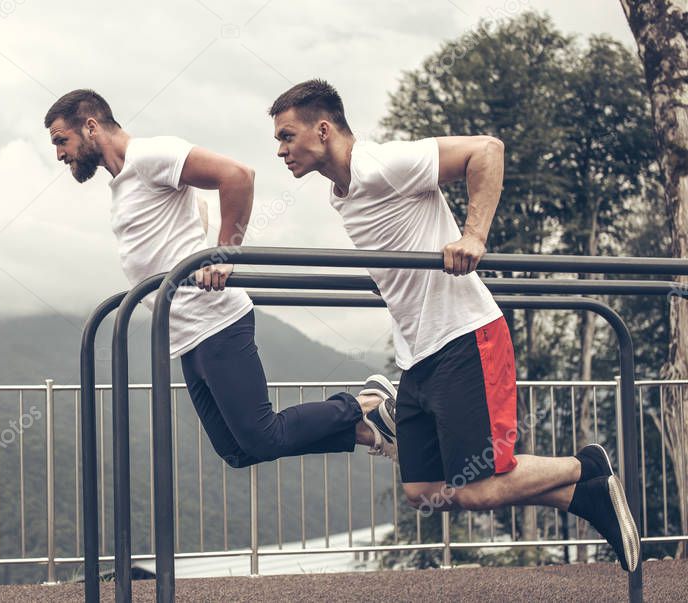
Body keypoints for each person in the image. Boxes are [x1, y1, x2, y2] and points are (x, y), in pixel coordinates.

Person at [267, 79, 640, 572]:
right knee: (425, 491)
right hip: (418, 354)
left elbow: (486, 151)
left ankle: (586, 467)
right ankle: (586, 497)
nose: (280, 149)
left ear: (322, 129)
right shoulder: (343, 193)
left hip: (465, 337)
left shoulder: (381, 164)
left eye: (287, 136)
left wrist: (473, 236)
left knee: (478, 488)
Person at [44, 88, 398, 468]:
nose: (60, 154)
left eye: (61, 141)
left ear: (91, 127)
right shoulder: (123, 181)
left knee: (263, 435)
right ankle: (366, 427)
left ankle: (365, 405)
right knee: (236, 450)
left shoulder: (150, 155)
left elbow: (237, 176)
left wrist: (224, 252)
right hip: (183, 334)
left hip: (215, 319)